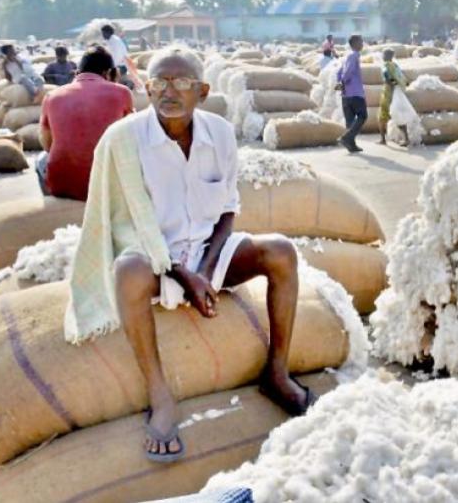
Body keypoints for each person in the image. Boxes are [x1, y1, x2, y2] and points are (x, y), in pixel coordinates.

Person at [65, 48, 316, 463]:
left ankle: (277, 373)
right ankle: (160, 396)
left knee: (281, 251)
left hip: (206, 251)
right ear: (147, 89)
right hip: (151, 255)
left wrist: (206, 268)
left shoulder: (220, 133)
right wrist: (184, 275)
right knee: (127, 271)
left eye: (181, 82)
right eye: (159, 82)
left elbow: (228, 210)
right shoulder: (123, 140)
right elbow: (127, 226)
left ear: (202, 91)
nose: (169, 91)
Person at [37, 46, 132, 200]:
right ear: (109, 72)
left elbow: (46, 143)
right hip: (109, 185)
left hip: (64, 185)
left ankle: (55, 203)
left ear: (77, 73)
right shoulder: (122, 92)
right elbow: (132, 137)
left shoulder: (51, 96)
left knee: (41, 159)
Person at [335, 34, 366, 153]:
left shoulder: (346, 57)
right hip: (355, 92)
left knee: (350, 120)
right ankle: (346, 138)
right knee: (363, 116)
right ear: (355, 43)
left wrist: (341, 84)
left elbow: (339, 73)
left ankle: (351, 145)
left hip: (346, 94)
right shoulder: (354, 55)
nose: (362, 44)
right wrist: (344, 82)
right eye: (361, 42)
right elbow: (348, 72)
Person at [378, 49, 409, 145]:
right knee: (398, 115)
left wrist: (392, 84)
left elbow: (387, 77)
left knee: (382, 117)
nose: (382, 57)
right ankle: (406, 139)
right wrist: (398, 86)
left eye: (383, 55)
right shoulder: (396, 66)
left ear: (386, 56)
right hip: (397, 94)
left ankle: (383, 139)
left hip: (388, 93)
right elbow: (404, 80)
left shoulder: (385, 65)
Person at [102, 24, 134, 90]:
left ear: (108, 32)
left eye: (103, 33)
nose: (102, 35)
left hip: (120, 66)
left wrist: (109, 68)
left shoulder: (114, 41)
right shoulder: (111, 40)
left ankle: (126, 84)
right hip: (118, 65)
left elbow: (117, 58)